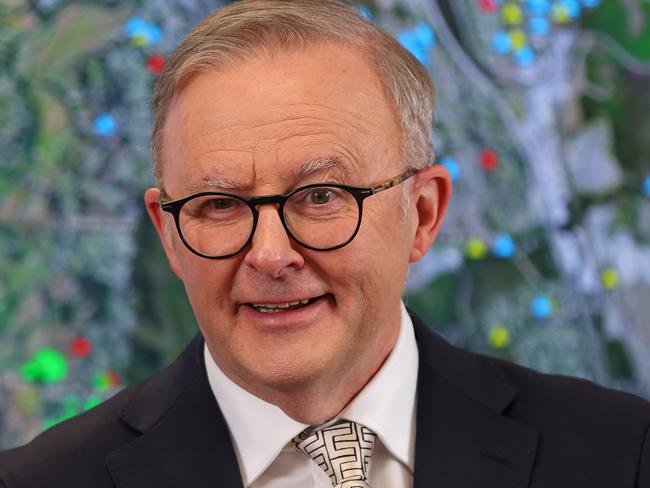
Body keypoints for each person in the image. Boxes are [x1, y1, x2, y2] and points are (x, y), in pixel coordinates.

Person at [1, 0, 649, 486]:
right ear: (169, 233)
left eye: (320, 197)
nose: (271, 256)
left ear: (423, 215)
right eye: (220, 205)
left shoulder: (619, 455)